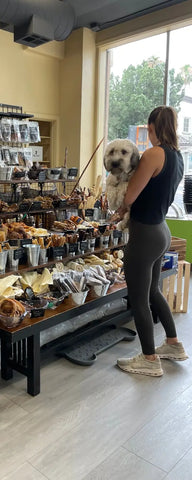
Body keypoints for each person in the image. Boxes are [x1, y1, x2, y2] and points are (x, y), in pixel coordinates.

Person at [112, 105, 188, 377]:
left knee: (139, 299)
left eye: (150, 129)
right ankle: (173, 344)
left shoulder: (154, 153)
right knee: (154, 291)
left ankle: (148, 359)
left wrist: (119, 202)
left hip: (144, 234)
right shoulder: (177, 156)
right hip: (161, 230)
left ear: (154, 127)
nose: (150, 133)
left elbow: (130, 196)